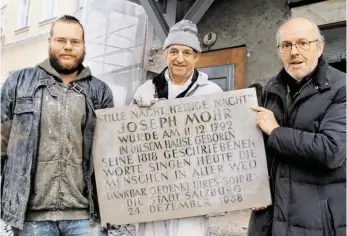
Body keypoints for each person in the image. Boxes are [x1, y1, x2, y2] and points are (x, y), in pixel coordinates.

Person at [1, 15, 114, 235]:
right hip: (31, 216)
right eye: (61, 40)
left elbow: (110, 153)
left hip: (84, 216)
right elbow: (1, 140)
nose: (68, 47)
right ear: (50, 41)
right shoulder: (19, 82)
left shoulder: (100, 91)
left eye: (75, 42)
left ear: (84, 46)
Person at [248, 17, 346, 236]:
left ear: (319, 47)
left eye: (303, 43)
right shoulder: (272, 87)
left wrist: (275, 131)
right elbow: (260, 148)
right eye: (286, 45)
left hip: (316, 220)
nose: (294, 52)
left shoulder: (342, 88)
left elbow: (332, 151)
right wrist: (254, 188)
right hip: (270, 219)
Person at [132, 19, 223, 236]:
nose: (179, 59)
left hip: (193, 193)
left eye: (186, 52)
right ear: (165, 53)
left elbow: (222, 143)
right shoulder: (146, 90)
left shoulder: (213, 92)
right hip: (154, 192)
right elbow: (132, 143)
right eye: (174, 51)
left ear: (196, 56)